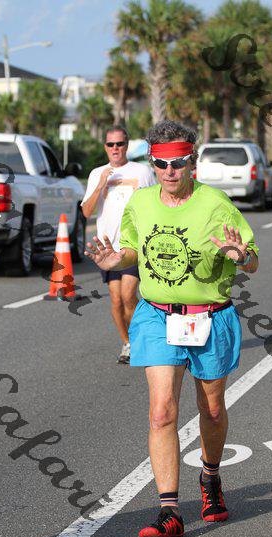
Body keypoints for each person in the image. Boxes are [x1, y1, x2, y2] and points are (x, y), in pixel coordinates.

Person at [85, 120, 259, 537]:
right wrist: (116, 260)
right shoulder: (141, 203)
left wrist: (240, 255)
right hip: (157, 315)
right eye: (160, 164)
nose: (169, 171)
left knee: (211, 410)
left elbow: (252, 259)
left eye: (177, 163)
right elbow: (131, 248)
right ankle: (169, 511)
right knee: (162, 411)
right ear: (153, 163)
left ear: (191, 161)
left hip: (209, 317)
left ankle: (210, 478)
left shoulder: (215, 204)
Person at [81, 125, 156, 363]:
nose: (115, 148)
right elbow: (86, 211)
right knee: (116, 300)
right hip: (108, 249)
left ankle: (142, 337)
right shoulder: (97, 173)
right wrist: (101, 184)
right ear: (105, 147)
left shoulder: (142, 171)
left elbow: (156, 203)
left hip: (132, 245)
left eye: (120, 144)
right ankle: (128, 343)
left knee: (128, 295)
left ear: (127, 145)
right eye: (111, 144)